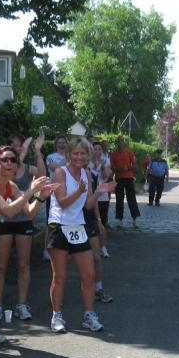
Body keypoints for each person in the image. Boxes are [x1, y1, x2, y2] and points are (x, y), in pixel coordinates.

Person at [46, 139, 115, 333]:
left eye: (83, 154)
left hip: (78, 227)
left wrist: (99, 191)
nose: (79, 157)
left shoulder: (87, 174)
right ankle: (56, 316)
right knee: (60, 276)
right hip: (59, 227)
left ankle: (89, 315)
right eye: (75, 153)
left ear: (88, 156)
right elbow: (62, 202)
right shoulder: (60, 173)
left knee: (89, 275)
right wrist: (79, 191)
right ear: (69, 154)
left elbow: (88, 205)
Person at [0, 132, 47, 322]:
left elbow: (42, 177)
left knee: (23, 264)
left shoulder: (27, 169)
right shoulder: (1, 170)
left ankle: (21, 304)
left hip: (23, 221)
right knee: (1, 264)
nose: (16, 148)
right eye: (12, 145)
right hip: (4, 221)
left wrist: (37, 151)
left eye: (19, 145)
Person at [42, 135, 68, 261]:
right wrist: (68, 157)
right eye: (59, 143)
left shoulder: (72, 157)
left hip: (68, 191)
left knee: (66, 220)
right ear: (56, 144)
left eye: (64, 143)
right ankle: (46, 249)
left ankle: (64, 247)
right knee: (51, 221)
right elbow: (56, 168)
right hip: (53, 192)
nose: (62, 145)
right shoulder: (50, 157)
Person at [110, 136, 141, 228]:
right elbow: (112, 167)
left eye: (122, 141)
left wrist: (128, 167)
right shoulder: (114, 154)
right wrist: (118, 169)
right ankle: (119, 220)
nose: (120, 142)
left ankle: (135, 219)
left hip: (129, 178)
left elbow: (135, 166)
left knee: (131, 198)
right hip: (119, 178)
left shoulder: (129, 152)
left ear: (124, 142)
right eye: (119, 141)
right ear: (117, 142)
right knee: (119, 199)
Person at [89, 141, 113, 258]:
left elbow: (107, 176)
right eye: (95, 149)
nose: (97, 151)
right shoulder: (87, 161)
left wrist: (103, 168)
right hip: (91, 196)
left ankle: (103, 247)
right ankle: (92, 247)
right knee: (91, 222)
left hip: (102, 195)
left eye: (99, 149)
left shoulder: (106, 160)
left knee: (102, 222)